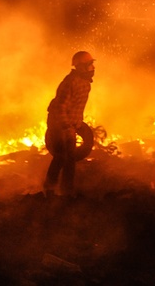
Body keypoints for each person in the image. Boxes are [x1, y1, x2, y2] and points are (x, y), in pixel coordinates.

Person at [43, 51, 95, 198]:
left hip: (70, 124)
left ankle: (66, 191)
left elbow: (78, 107)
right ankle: (50, 188)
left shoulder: (85, 84)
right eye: (89, 64)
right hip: (58, 123)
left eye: (92, 64)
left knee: (69, 159)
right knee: (62, 156)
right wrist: (66, 126)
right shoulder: (70, 82)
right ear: (80, 67)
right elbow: (61, 107)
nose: (92, 67)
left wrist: (78, 123)